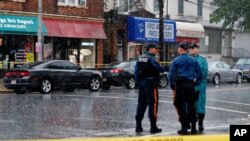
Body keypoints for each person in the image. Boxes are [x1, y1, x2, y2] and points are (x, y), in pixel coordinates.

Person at [169, 42, 202, 135]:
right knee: (192, 106)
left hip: (180, 85)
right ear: (187, 49)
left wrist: (172, 84)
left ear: (180, 49)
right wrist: (196, 83)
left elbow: (171, 74)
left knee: (181, 106)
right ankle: (194, 128)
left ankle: (184, 128)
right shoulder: (194, 60)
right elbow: (200, 74)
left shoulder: (176, 61)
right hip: (191, 85)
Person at [134, 43, 165, 134]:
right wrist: (161, 66)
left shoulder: (140, 58)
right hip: (151, 84)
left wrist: (139, 82)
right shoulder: (152, 58)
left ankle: (138, 125)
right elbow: (160, 69)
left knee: (141, 104)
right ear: (151, 49)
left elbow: (136, 71)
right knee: (153, 105)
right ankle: (153, 126)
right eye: (156, 48)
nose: (157, 50)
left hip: (142, 84)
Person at [189, 43, 208, 132]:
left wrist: (196, 79)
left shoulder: (202, 60)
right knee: (189, 105)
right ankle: (191, 123)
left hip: (200, 85)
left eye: (193, 48)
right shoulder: (187, 59)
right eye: (190, 48)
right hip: (190, 85)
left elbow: (204, 72)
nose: (191, 49)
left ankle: (200, 123)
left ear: (197, 49)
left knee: (200, 104)